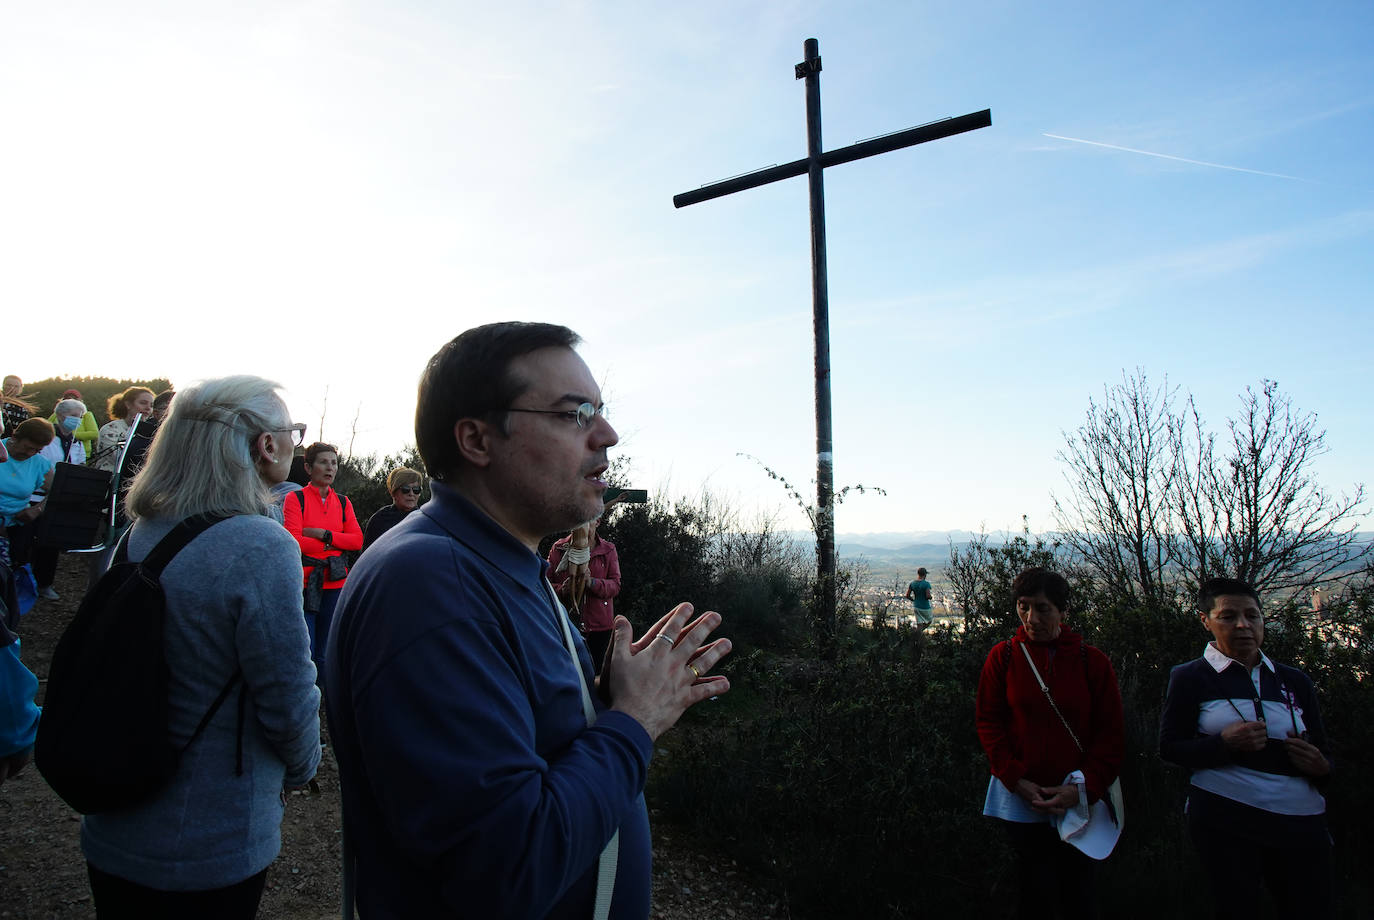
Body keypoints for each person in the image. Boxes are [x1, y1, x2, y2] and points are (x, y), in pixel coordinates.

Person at [324, 322, 732, 919]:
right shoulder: (433, 585)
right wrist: (635, 721)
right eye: (575, 414)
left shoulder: (497, 561)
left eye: (601, 410)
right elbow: (504, 871)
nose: (608, 434)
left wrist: (604, 700)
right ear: (477, 440)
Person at [80, 375, 321, 918]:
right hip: (207, 835)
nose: (295, 442)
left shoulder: (142, 530)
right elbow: (287, 691)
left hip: (116, 811)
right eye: (293, 431)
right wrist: (304, 766)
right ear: (266, 445)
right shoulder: (259, 544)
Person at [1159, 577, 1333, 919]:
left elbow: (1326, 752)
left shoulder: (1294, 680)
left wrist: (1322, 766)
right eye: (1228, 616)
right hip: (1227, 822)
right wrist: (1223, 745)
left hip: (1301, 824)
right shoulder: (1190, 677)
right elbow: (1170, 748)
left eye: (1252, 616)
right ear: (1205, 621)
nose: (1243, 625)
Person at [975, 567, 1124, 919]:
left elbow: (1111, 735)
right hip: (1021, 801)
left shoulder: (1092, 662)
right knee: (1032, 894)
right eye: (1023, 607)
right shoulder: (1004, 656)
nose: (1031, 618)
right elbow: (988, 723)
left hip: (1079, 801)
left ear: (1063, 611)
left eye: (1042, 608)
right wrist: (1016, 779)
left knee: (1078, 894)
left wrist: (1082, 788)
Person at [282, 441, 362, 679]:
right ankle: (308, 697)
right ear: (308, 467)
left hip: (336, 584)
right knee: (305, 649)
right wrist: (336, 542)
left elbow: (357, 541)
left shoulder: (344, 502)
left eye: (334, 463)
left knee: (328, 650)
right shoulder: (296, 499)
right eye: (323, 462)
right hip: (306, 584)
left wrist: (323, 535)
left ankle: (326, 700)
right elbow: (294, 541)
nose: (330, 468)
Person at [30, 399, 89, 600]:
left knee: (51, 543)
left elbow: (80, 465)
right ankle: (22, 579)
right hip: (36, 496)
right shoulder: (46, 440)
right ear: (62, 415)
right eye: (75, 415)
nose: (78, 420)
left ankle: (44, 583)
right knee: (29, 539)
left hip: (60, 499)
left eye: (80, 417)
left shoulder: (77, 442)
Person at [548, 515, 622, 674]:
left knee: (596, 674)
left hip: (599, 628)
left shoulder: (608, 550)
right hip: (564, 624)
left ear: (597, 521)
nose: (583, 525)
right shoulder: (559, 548)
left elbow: (615, 586)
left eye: (588, 519)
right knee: (565, 673)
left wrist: (592, 583)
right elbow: (543, 585)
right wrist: (562, 589)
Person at [0, 418, 57, 570]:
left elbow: (56, 491)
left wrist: (37, 509)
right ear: (14, 437)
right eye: (27, 447)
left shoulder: (41, 464)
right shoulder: (1, 452)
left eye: (37, 450)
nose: (30, 453)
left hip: (16, 523)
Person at [92, 386, 155, 473]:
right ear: (128, 405)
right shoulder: (110, 429)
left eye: (151, 405)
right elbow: (119, 459)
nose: (148, 408)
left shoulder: (152, 432)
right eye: (143, 403)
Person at [359, 466, 422, 553]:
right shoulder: (379, 520)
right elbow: (367, 555)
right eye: (405, 489)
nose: (411, 494)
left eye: (416, 490)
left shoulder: (425, 520)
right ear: (393, 492)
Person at [47, 388, 99, 456]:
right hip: (56, 451)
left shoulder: (86, 414)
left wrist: (70, 435)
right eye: (68, 398)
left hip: (82, 453)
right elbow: (46, 429)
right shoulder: (55, 415)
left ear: (80, 400)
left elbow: (94, 434)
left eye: (74, 398)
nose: (71, 400)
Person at [2, 375, 37, 439]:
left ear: (21, 388)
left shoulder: (23, 409)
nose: (12, 388)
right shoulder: (2, 403)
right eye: (9, 385)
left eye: (16, 386)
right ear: (3, 386)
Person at [905, 566, 934, 631]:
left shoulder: (912, 583)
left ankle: (917, 636)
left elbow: (907, 595)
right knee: (929, 621)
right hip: (925, 606)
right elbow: (928, 595)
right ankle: (918, 633)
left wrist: (913, 600)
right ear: (924, 575)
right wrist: (931, 597)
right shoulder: (926, 584)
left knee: (919, 624)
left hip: (916, 606)